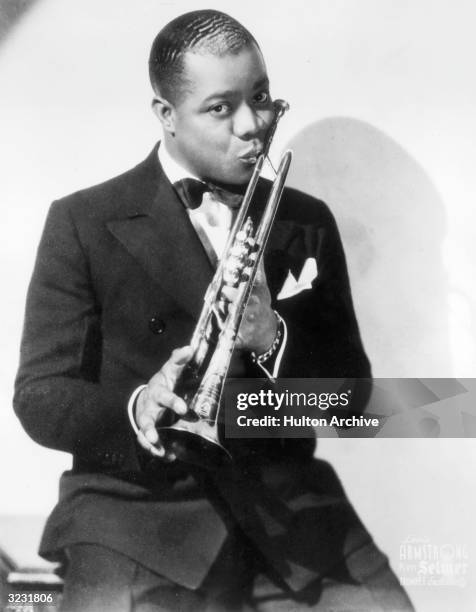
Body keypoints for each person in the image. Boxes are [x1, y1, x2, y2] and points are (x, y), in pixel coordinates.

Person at [14, 9, 414, 612]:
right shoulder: (83, 221)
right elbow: (40, 394)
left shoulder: (306, 220)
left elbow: (352, 398)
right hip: (138, 515)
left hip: (290, 515)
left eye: (261, 96)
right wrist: (138, 405)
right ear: (166, 116)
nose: (254, 125)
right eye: (220, 108)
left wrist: (274, 335)